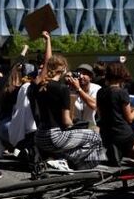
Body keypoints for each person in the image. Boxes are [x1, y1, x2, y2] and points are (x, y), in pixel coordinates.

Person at [30, 32, 104, 169]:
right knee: (95, 137)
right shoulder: (62, 89)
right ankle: (72, 163)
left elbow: (47, 62)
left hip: (39, 136)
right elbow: (66, 121)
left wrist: (48, 41)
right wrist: (77, 125)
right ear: (64, 69)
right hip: (55, 136)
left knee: (83, 137)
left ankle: (63, 162)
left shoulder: (38, 86)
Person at [95, 61, 134, 163]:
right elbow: (130, 118)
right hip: (123, 133)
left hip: (106, 134)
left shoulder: (100, 92)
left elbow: (100, 113)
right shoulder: (122, 92)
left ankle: (116, 151)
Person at [67, 63, 100, 129]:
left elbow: (94, 105)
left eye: (84, 74)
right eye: (79, 74)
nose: (81, 76)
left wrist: (78, 89)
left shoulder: (96, 88)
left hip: (90, 126)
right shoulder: (70, 90)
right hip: (74, 126)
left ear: (90, 77)